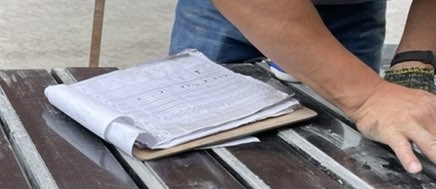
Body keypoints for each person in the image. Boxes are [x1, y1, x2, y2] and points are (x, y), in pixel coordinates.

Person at [169, 0, 436, 174]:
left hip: (354, 9)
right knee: (206, 173)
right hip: (238, 11)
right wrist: (369, 97)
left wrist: (414, 60)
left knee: (349, 170)